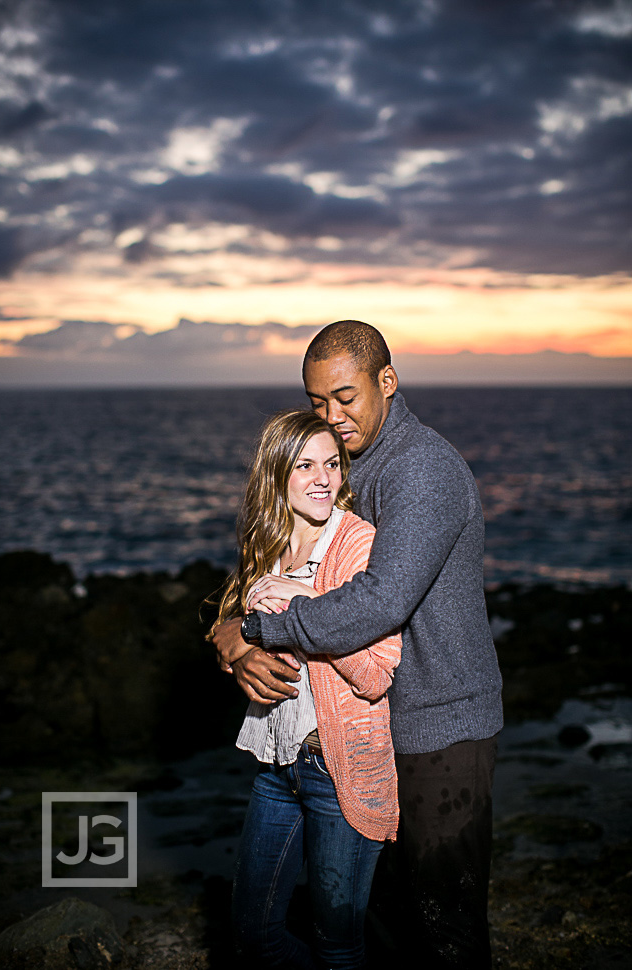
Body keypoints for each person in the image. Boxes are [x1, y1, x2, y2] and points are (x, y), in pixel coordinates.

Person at [213, 320, 503, 969]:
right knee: (385, 921)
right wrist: (228, 632)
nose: (331, 415)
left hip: (440, 727)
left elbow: (377, 603)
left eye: (345, 396)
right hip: (370, 732)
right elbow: (279, 567)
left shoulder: (419, 468)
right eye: (317, 402)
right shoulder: (342, 469)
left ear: (387, 382)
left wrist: (257, 629)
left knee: (443, 925)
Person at [209, 407, 402, 970]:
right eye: (304, 465)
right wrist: (240, 652)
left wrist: (296, 610)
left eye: (332, 463)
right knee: (253, 934)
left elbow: (376, 672)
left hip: (338, 771)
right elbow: (234, 635)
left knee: (338, 945)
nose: (323, 477)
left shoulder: (359, 545)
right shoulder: (266, 547)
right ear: (276, 475)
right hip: (276, 767)